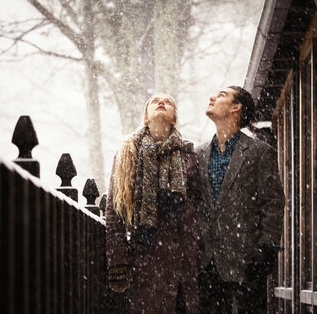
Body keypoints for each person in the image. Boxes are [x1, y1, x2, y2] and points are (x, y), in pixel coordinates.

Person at [105, 94, 199, 313]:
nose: (161, 102)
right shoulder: (128, 154)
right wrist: (117, 262)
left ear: (174, 118)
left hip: (183, 261)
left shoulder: (188, 154)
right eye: (154, 101)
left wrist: (196, 247)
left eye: (168, 102)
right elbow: (114, 212)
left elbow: (198, 205)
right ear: (146, 117)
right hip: (146, 260)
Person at [196, 86, 284, 313]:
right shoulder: (198, 154)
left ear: (236, 108)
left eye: (222, 95)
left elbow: (273, 203)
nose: (212, 97)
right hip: (206, 264)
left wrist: (267, 248)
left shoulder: (259, 152)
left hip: (247, 263)